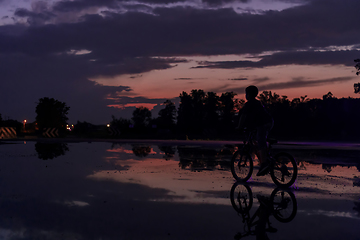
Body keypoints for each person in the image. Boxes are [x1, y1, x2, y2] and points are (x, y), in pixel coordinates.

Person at [237, 85, 274, 176]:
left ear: (248, 94)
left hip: (263, 123)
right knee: (257, 139)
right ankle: (267, 158)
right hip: (268, 122)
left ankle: (264, 163)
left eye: (246, 94)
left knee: (261, 141)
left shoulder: (249, 103)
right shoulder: (258, 103)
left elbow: (243, 116)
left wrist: (239, 126)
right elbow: (253, 117)